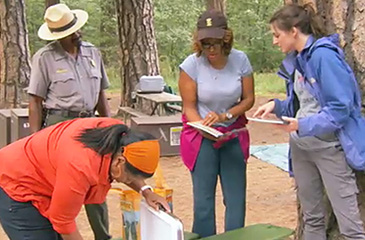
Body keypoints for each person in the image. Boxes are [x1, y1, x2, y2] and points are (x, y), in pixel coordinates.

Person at [253, 4, 365, 240]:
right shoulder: (297, 60)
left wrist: (302, 125)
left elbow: (340, 108)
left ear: (294, 31)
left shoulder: (324, 56)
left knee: (350, 227)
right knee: (312, 219)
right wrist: (276, 105)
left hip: (329, 149)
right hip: (301, 148)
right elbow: (304, 104)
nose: (275, 42)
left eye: (277, 35)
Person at [0, 117, 170, 240]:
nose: (128, 181)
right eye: (132, 178)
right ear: (119, 161)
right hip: (15, 185)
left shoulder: (119, 136)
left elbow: (127, 168)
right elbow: (63, 222)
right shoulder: (80, 166)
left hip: (43, 177)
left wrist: (146, 191)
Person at [27, 4, 112, 240]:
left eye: (76, 29)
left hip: (90, 123)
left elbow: (101, 95)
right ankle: (59, 234)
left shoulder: (93, 53)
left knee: (97, 179)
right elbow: (35, 101)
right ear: (59, 35)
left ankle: (102, 235)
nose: (76, 34)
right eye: (69, 32)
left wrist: (110, 126)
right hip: (59, 123)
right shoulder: (44, 58)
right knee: (61, 184)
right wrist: (35, 140)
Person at [179, 10, 255, 238]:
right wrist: (204, 126)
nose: (210, 49)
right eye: (205, 43)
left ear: (226, 39)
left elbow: (248, 99)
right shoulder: (191, 65)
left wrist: (225, 117)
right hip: (202, 135)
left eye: (215, 43)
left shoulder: (240, 60)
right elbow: (189, 106)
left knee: (235, 198)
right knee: (203, 200)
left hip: (232, 133)